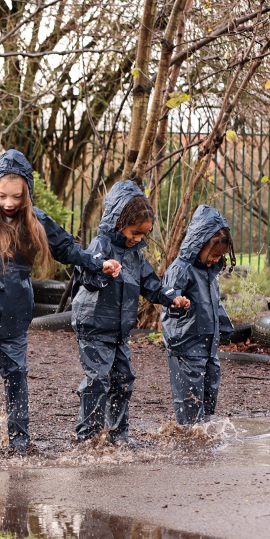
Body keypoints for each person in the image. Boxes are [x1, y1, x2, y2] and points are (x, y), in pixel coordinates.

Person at [0, 149, 121, 455]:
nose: (9, 203)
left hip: (14, 314)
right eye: (3, 195)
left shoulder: (36, 221)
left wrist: (99, 264)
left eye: (17, 196)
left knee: (16, 372)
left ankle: (19, 440)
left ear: (27, 194)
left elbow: (68, 248)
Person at [70, 181, 190, 444]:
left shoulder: (135, 255)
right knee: (98, 380)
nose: (137, 239)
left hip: (118, 331)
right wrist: (102, 269)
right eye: (135, 232)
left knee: (124, 379)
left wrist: (173, 298)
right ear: (118, 220)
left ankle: (116, 434)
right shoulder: (101, 245)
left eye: (142, 235)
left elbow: (152, 286)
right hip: (93, 326)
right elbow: (86, 276)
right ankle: (88, 436)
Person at [161, 205, 235, 426]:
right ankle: (189, 433)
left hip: (207, 343)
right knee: (189, 395)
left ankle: (202, 429)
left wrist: (224, 325)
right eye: (213, 255)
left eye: (219, 256)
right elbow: (168, 294)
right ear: (199, 244)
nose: (215, 260)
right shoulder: (181, 269)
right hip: (186, 342)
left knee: (209, 386)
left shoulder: (210, 271)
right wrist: (176, 300)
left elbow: (212, 302)